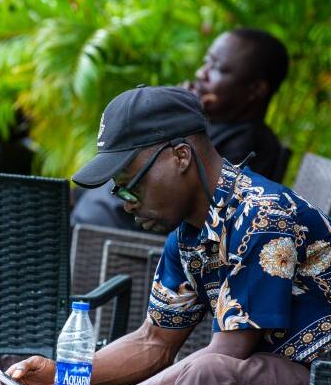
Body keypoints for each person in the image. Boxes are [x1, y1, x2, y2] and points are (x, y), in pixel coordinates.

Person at [0, 86, 331, 385]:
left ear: (180, 157)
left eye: (130, 184)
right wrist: (63, 377)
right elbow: (153, 342)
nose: (126, 204)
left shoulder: (263, 217)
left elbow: (227, 357)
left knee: (202, 378)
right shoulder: (189, 236)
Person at [71, 28, 289, 233]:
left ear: (255, 89)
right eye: (206, 62)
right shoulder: (205, 124)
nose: (201, 73)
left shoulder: (250, 143)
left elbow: (199, 212)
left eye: (216, 68)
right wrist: (177, 110)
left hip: (113, 239)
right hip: (84, 226)